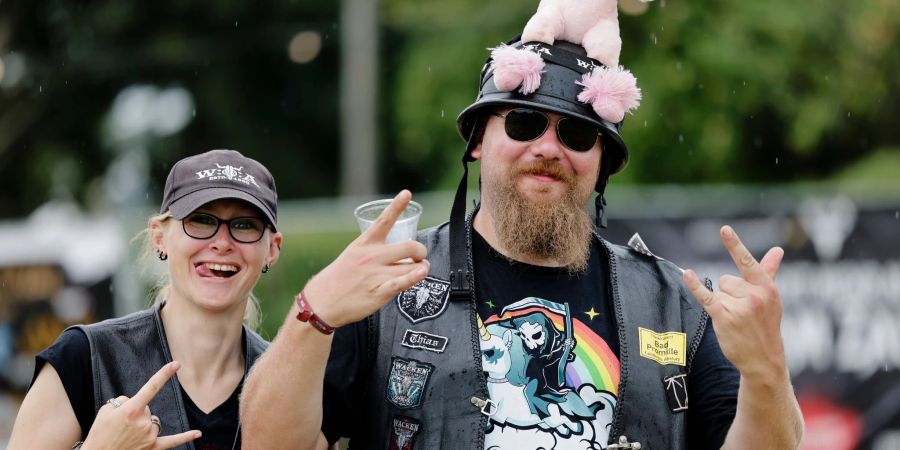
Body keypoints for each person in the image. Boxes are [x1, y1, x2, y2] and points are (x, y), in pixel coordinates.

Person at [242, 36, 803, 450]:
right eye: (525, 123)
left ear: (601, 164)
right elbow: (266, 442)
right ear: (478, 141)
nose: (549, 147)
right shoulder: (386, 286)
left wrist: (767, 372)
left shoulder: (677, 306)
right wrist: (313, 313)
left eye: (578, 134)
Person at [9, 149, 282, 450]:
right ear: (159, 237)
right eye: (201, 220)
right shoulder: (83, 359)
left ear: (272, 249)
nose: (221, 243)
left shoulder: (291, 382)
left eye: (244, 225)